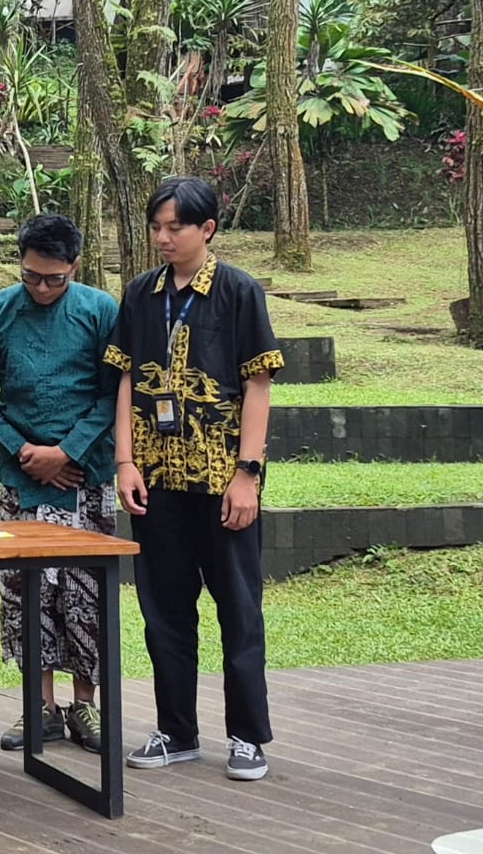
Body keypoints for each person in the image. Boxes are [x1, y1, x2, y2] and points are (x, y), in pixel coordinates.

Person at [105, 176, 283, 782]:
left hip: (222, 480)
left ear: (207, 229)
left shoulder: (238, 291)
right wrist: (125, 462)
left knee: (239, 608)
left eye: (175, 227)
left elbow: (258, 385)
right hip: (156, 480)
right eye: (156, 227)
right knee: (164, 610)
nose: (163, 237)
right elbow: (126, 379)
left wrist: (248, 474)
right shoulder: (141, 294)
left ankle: (247, 736)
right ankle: (176, 731)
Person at [0, 213, 119, 755]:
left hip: (85, 475)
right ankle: (40, 705)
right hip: (22, 475)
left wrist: (66, 452)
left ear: (75, 266)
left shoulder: (100, 310)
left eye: (56, 278)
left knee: (86, 593)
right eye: (32, 277)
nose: (43, 288)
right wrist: (24, 452)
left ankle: (85, 705)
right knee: (26, 592)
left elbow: (112, 393)